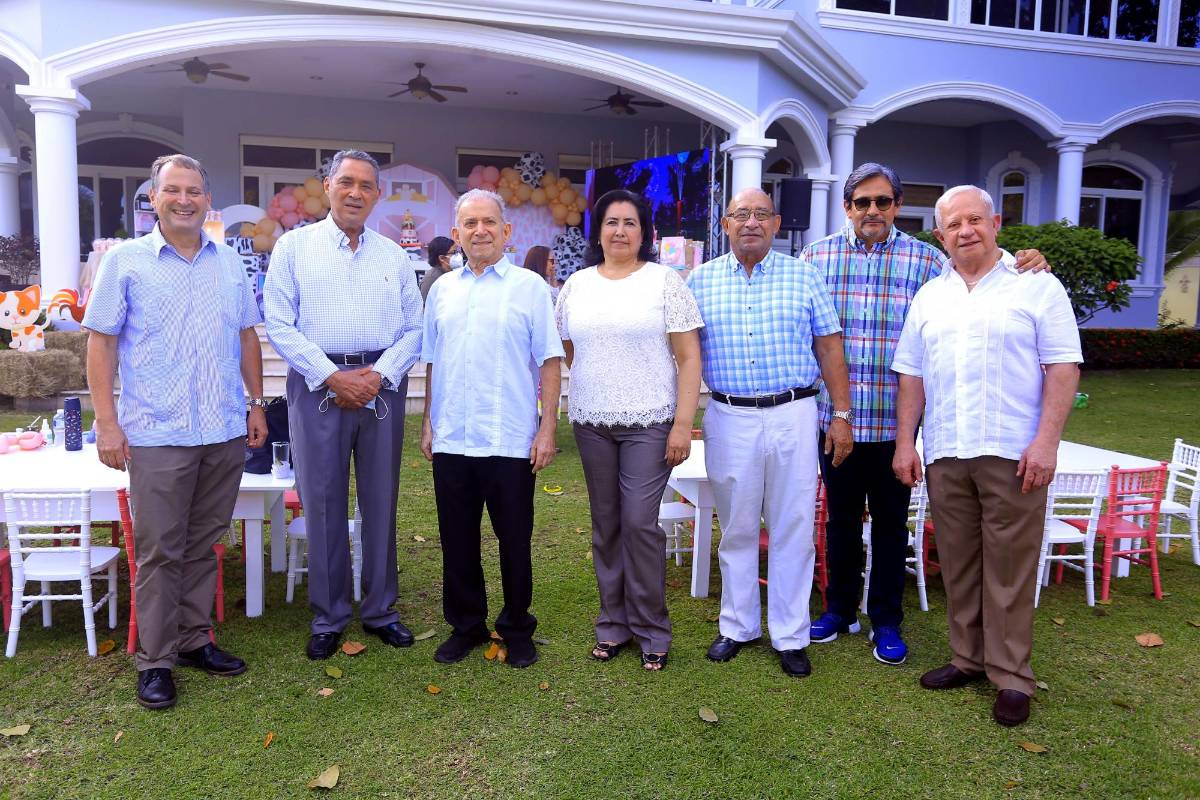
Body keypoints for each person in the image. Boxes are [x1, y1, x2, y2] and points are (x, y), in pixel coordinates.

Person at [801, 163, 1050, 666]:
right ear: (847, 208)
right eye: (862, 202)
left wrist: (1029, 261)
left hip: (901, 428)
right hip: (840, 421)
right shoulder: (816, 257)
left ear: (897, 206)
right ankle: (839, 610)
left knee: (892, 525)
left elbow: (984, 280)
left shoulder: (929, 261)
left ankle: (887, 620)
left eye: (884, 201)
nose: (873, 211)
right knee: (841, 520)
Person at [892, 185, 1081, 727]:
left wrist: (1046, 442)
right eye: (954, 224)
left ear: (995, 223)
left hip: (1012, 450)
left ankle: (1012, 676)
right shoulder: (931, 295)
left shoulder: (1037, 286)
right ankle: (967, 658)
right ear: (940, 235)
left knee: (1010, 567)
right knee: (959, 562)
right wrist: (908, 443)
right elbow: (912, 375)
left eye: (975, 219)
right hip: (948, 450)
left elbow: (1063, 367)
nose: (965, 231)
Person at [83, 153, 267, 710]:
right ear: (154, 199)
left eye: (194, 191)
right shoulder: (126, 263)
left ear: (207, 200)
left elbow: (247, 335)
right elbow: (101, 342)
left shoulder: (229, 263)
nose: (184, 199)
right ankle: (156, 660)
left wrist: (255, 405)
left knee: (203, 543)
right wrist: (108, 423)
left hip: (221, 428)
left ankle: (193, 641)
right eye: (173, 191)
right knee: (161, 550)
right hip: (158, 431)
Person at [688, 187, 853, 678]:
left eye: (761, 214)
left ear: (777, 224)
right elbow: (684, 353)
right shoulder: (699, 281)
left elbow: (829, 347)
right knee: (736, 526)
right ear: (725, 224)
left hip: (793, 414)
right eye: (741, 214)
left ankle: (789, 633)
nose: (751, 222)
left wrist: (841, 415)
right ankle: (738, 626)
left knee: (792, 526)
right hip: (729, 415)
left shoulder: (804, 276)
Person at [264, 150, 423, 660]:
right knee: (324, 500)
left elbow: (414, 329)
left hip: (381, 384)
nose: (356, 193)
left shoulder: (394, 257)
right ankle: (330, 615)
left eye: (366, 186)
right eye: (346, 182)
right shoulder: (294, 248)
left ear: (377, 195)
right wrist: (332, 376)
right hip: (317, 385)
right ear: (328, 186)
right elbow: (280, 324)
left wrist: (378, 376)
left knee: (379, 500)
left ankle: (380, 610)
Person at [555, 189, 703, 672]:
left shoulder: (665, 282)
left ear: (646, 233)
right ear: (597, 231)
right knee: (607, 526)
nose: (620, 231)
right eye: (611, 222)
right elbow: (568, 350)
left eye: (631, 223)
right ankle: (613, 624)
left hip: (651, 422)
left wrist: (683, 425)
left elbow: (688, 358)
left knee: (640, 523)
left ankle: (652, 629)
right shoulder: (576, 285)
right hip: (592, 423)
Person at [420, 188, 563, 669]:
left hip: (510, 438)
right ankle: (466, 625)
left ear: (507, 231)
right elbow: (432, 361)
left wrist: (547, 429)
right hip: (454, 437)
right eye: (470, 224)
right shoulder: (441, 289)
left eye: (489, 222)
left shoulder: (529, 288)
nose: (479, 231)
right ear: (456, 234)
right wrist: (428, 424)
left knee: (514, 539)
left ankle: (517, 627)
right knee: (457, 539)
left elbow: (548, 361)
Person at [420, 236, 459, 303]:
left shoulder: (451, 273)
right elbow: (425, 307)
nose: (458, 255)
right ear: (442, 258)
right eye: (454, 252)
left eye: (457, 251)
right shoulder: (431, 279)